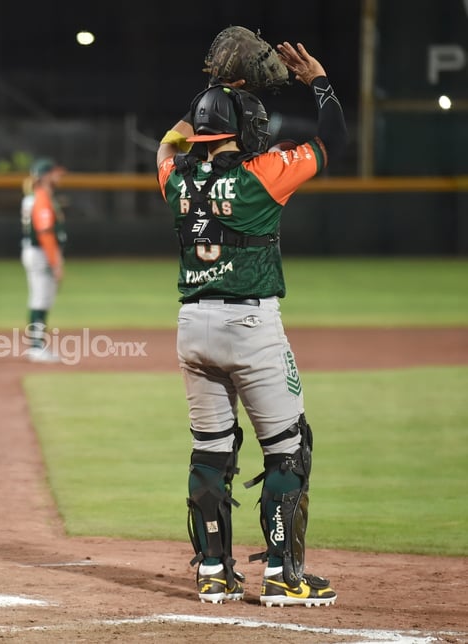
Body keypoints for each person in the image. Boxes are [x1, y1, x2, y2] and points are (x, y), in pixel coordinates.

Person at [156, 42, 347, 607]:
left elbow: (166, 143)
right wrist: (320, 81)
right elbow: (332, 140)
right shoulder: (264, 174)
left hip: (192, 328)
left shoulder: (175, 180)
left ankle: (213, 570)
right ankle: (284, 576)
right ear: (246, 128)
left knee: (210, 451)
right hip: (250, 326)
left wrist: (210, 94)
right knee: (288, 448)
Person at [20, 157, 67, 363]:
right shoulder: (41, 198)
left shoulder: (36, 196)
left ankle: (37, 345)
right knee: (41, 299)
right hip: (40, 253)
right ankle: (36, 347)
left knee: (41, 298)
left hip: (36, 252)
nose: (59, 177)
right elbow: (45, 233)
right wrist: (56, 262)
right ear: (46, 176)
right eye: (55, 173)